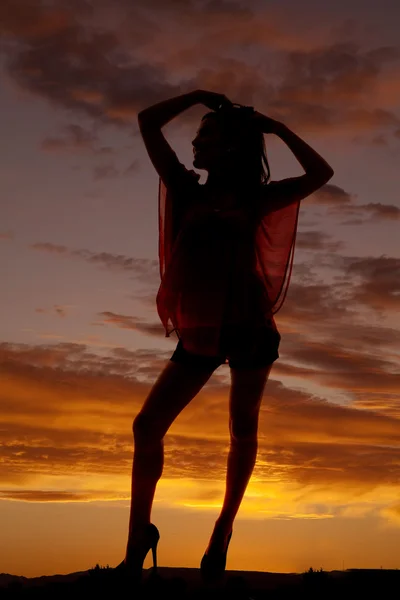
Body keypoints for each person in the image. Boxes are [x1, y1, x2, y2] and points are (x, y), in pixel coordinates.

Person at [116, 89, 334, 584]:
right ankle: (136, 541)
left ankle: (222, 530)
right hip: (199, 329)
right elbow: (147, 121)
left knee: (242, 431)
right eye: (197, 138)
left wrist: (276, 128)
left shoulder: (258, 197)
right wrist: (195, 96)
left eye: (205, 138)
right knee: (146, 427)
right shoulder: (185, 187)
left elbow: (321, 174)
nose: (195, 146)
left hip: (248, 328)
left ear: (230, 148)